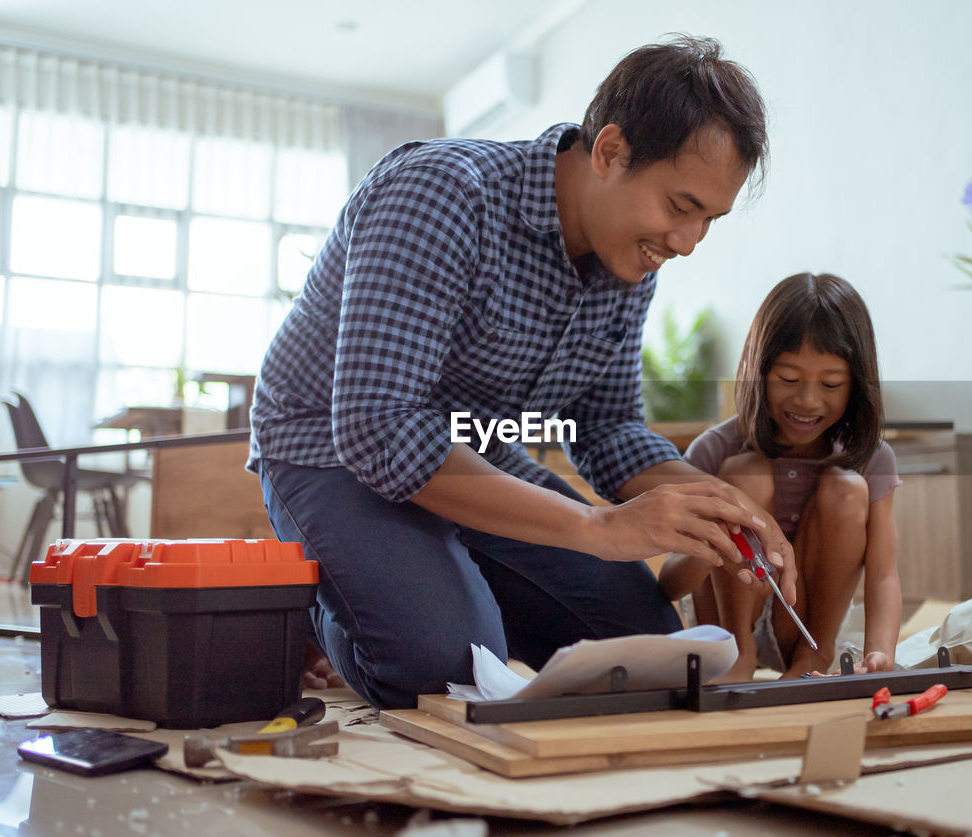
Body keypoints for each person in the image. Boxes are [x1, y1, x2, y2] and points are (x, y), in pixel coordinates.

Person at [247, 36, 797, 709]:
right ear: (609, 152)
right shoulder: (443, 194)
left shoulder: (629, 260)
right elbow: (378, 427)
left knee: (645, 646)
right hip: (330, 447)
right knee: (440, 667)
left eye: (708, 219)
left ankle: (427, 579)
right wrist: (596, 528)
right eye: (680, 207)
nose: (687, 243)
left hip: (466, 456)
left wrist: (716, 500)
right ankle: (311, 602)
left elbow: (604, 426)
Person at [658, 273, 902, 681]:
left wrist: (880, 653)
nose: (807, 401)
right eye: (788, 379)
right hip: (725, 618)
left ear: (857, 385)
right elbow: (670, 582)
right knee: (741, 475)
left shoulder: (872, 458)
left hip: (806, 623)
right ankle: (739, 653)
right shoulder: (713, 450)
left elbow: (883, 573)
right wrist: (711, 540)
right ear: (758, 370)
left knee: (846, 490)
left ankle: (814, 656)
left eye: (831, 384)